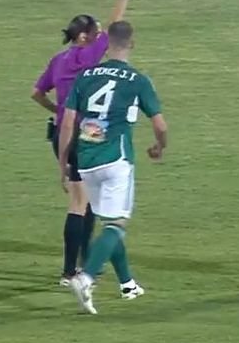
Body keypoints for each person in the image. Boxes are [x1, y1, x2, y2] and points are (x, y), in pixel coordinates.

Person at [31, 0, 133, 286]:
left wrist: (57, 110)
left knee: (84, 200)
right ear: (85, 37)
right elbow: (116, 23)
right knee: (81, 202)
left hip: (61, 132)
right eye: (96, 31)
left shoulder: (58, 60)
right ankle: (74, 270)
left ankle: (81, 264)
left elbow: (36, 93)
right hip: (87, 133)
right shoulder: (88, 54)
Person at [61, 20, 168, 315]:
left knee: (110, 221)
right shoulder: (137, 80)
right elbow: (160, 125)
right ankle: (86, 277)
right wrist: (160, 146)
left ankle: (127, 284)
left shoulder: (85, 76)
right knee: (115, 225)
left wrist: (63, 163)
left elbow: (68, 123)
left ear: (106, 45)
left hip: (87, 161)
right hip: (116, 160)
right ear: (131, 44)